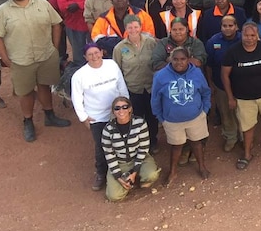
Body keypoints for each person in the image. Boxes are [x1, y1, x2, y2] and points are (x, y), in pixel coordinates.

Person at [0, 0, 72, 142]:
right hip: (20, 59)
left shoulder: (42, 4)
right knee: (26, 92)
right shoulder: (2, 11)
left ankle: (49, 115)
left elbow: (56, 24)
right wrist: (6, 59)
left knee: (44, 85)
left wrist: (55, 48)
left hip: (45, 55)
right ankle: (27, 121)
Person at [221, 22, 261, 169]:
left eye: (252, 35)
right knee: (247, 127)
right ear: (240, 34)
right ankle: (247, 154)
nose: (249, 38)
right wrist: (230, 97)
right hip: (244, 98)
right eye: (246, 35)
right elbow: (225, 75)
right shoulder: (233, 52)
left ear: (257, 35)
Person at [71, 43, 128, 190]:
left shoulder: (112, 65)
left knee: (122, 140)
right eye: (90, 54)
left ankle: (122, 170)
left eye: (96, 53)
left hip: (117, 112)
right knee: (102, 146)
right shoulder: (79, 75)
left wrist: (126, 107)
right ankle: (101, 173)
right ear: (85, 57)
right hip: (97, 117)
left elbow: (121, 86)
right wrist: (83, 117)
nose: (94, 56)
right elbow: (76, 97)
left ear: (101, 52)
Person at [151, 47, 211, 184]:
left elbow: (205, 92)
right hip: (172, 120)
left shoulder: (196, 73)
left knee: (196, 143)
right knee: (176, 146)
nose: (179, 62)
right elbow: (155, 99)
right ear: (170, 60)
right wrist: (161, 118)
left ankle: (202, 167)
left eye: (183, 59)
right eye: (175, 59)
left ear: (188, 59)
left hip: (196, 117)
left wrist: (205, 111)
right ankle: (173, 172)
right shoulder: (160, 76)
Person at [101, 96, 161, 202]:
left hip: (140, 158)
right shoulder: (108, 130)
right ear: (113, 111)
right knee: (114, 196)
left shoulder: (140, 123)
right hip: (120, 162)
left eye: (125, 107)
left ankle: (135, 177)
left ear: (130, 109)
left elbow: (143, 148)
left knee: (151, 175)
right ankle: (128, 182)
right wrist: (118, 177)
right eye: (117, 108)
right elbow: (109, 155)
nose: (121, 111)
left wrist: (134, 172)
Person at [113, 15, 160, 151]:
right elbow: (117, 71)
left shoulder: (151, 42)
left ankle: (153, 141)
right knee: (136, 117)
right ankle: (139, 143)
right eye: (130, 27)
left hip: (151, 87)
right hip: (133, 89)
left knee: (152, 116)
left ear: (140, 27)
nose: (133, 30)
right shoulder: (119, 48)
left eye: (136, 27)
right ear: (125, 29)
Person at [205, 15, 241, 152]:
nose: (227, 28)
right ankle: (231, 137)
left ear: (236, 26)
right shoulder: (213, 42)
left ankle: (244, 137)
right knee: (226, 113)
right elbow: (208, 65)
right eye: (224, 26)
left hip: (242, 85)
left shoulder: (244, 39)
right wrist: (210, 83)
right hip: (220, 85)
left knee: (242, 113)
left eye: (230, 25)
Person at [90, 0, 155, 57]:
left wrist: (129, 43)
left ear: (127, 0)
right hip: (112, 55)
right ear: (111, 1)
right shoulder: (103, 18)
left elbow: (149, 36)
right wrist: (121, 43)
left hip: (138, 54)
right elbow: (97, 38)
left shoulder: (141, 14)